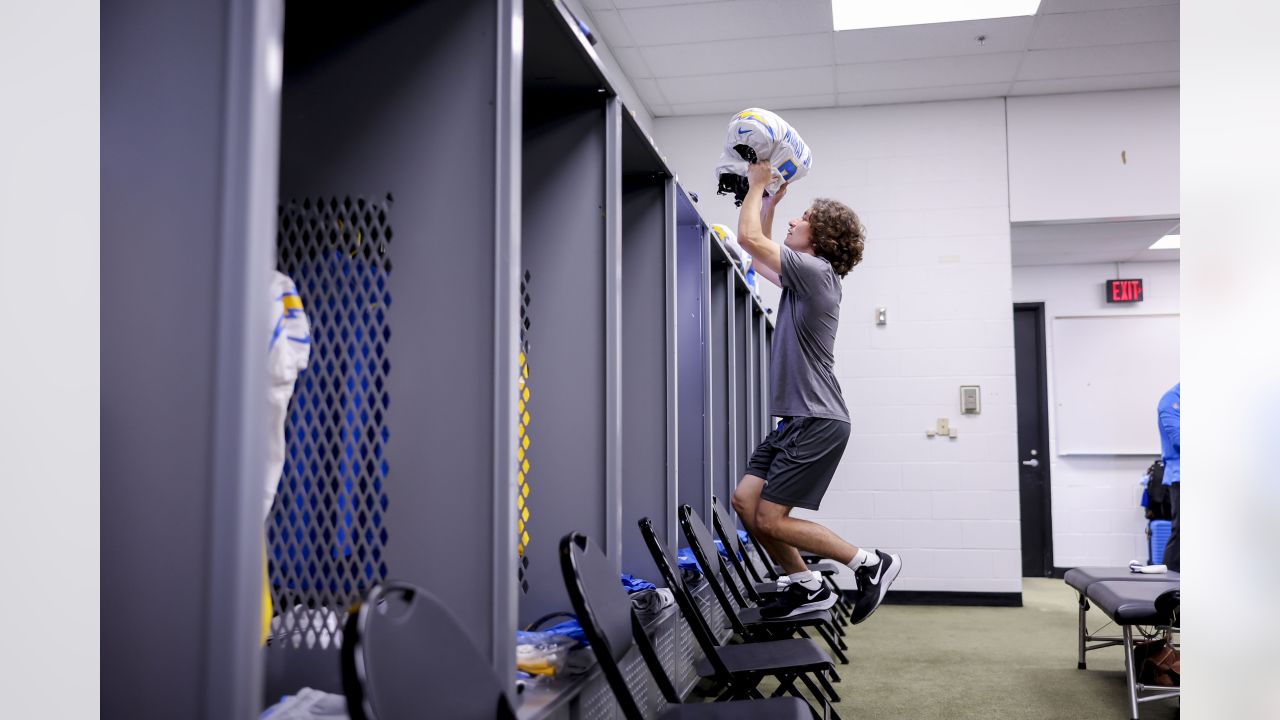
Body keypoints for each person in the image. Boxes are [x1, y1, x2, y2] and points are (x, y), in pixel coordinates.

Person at [730, 160, 901, 622]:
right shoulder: (807, 279)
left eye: (801, 218)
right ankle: (806, 584)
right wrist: (767, 201)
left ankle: (869, 562)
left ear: (819, 239)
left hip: (818, 419)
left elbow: (749, 239)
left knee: (771, 519)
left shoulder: (818, 274)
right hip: (798, 419)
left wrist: (757, 185)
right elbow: (755, 251)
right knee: (746, 502)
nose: (792, 220)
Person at [1158, 383, 1180, 571]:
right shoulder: (1171, 400)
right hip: (1181, 477)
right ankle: (1166, 589)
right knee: (1182, 533)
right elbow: (1179, 439)